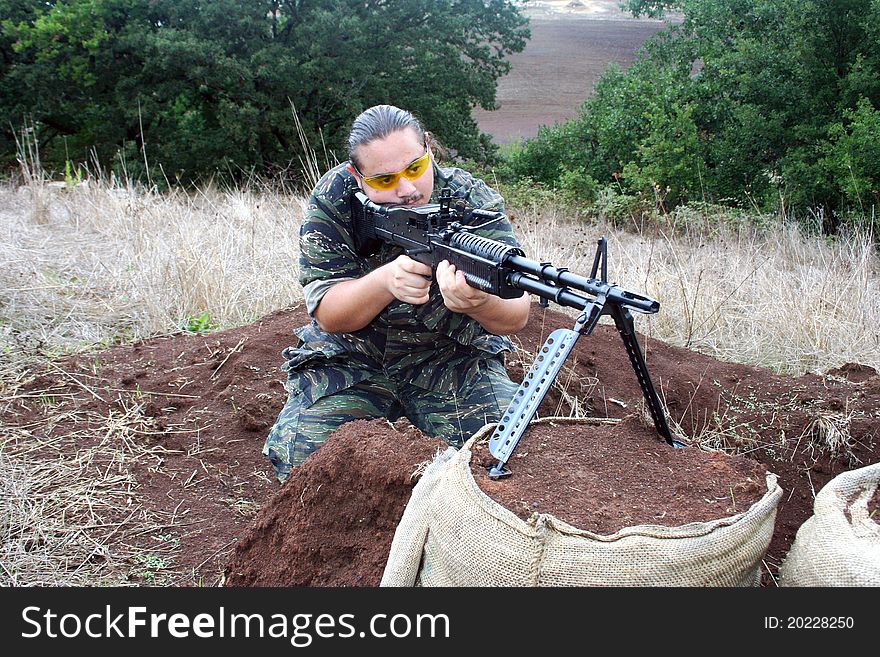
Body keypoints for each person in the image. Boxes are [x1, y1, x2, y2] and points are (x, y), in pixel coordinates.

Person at [263, 104, 531, 482]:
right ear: (358, 176)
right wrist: (385, 281)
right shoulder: (336, 199)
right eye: (385, 180)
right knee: (306, 464)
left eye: (415, 169)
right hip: (354, 361)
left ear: (429, 151)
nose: (406, 189)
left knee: (503, 459)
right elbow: (328, 313)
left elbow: (517, 313)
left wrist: (480, 302)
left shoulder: (471, 199)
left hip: (451, 360)